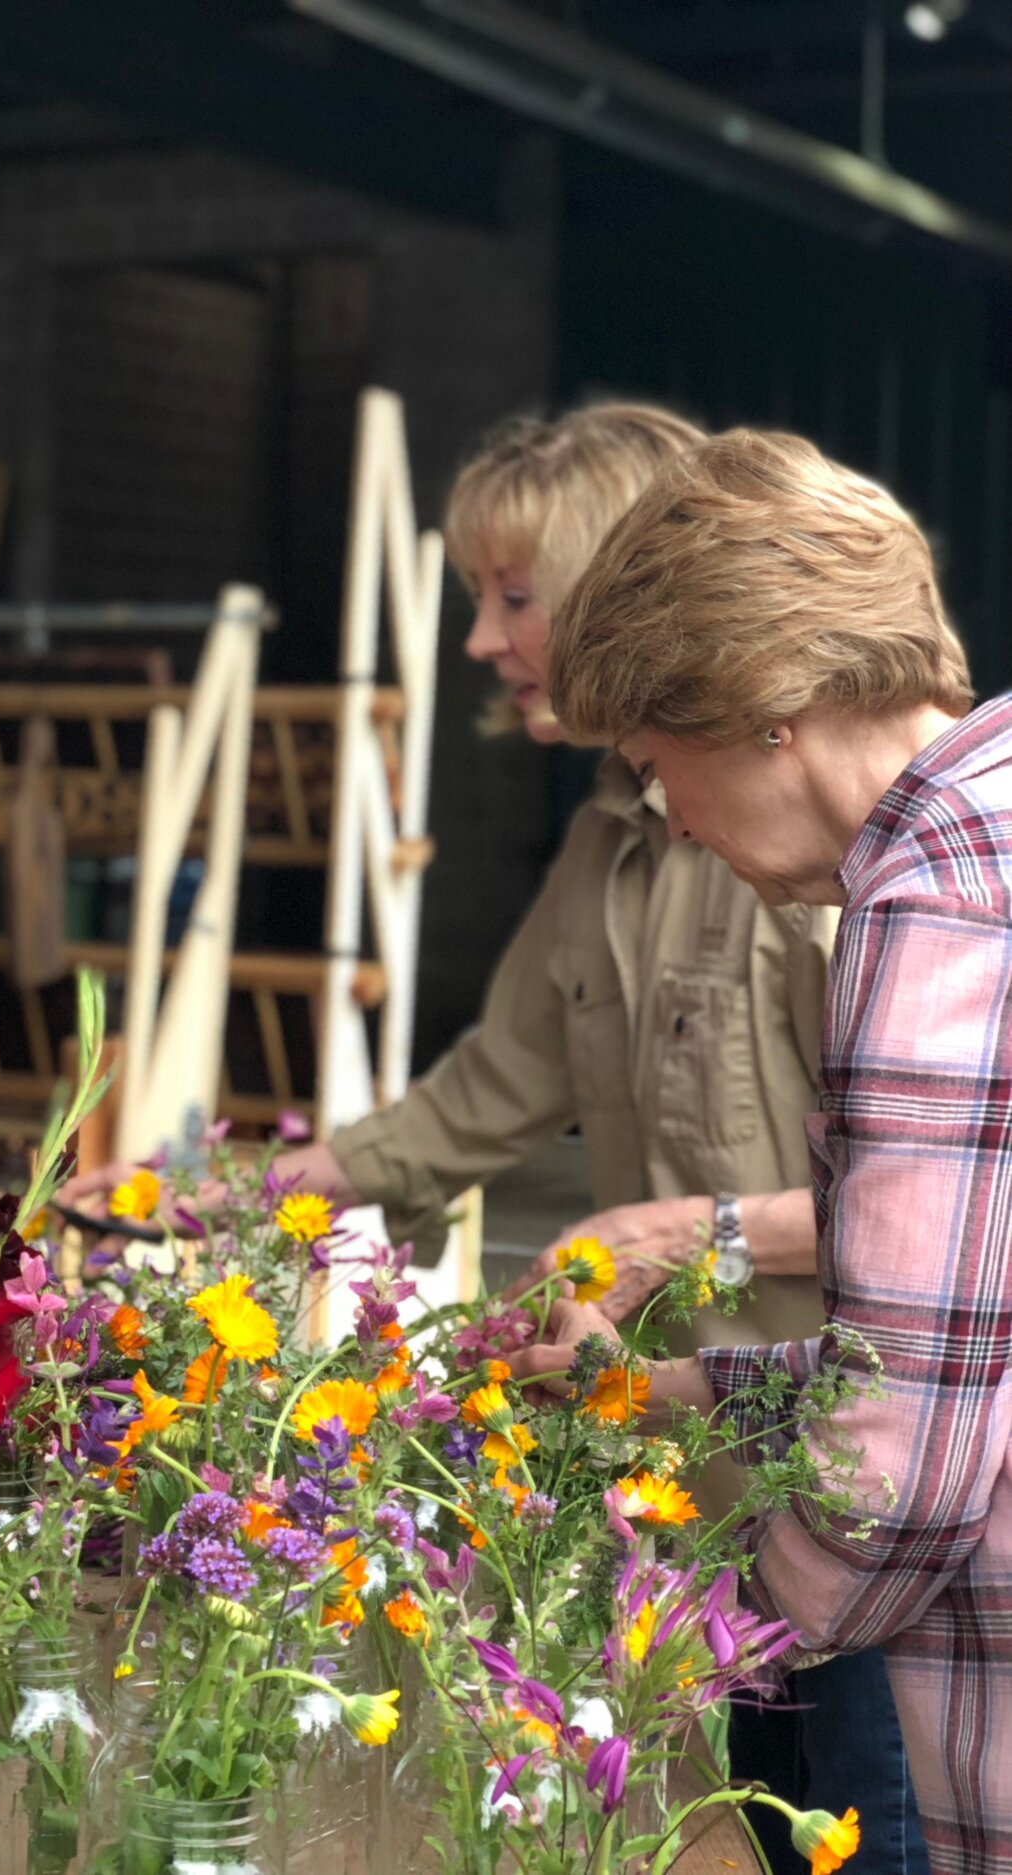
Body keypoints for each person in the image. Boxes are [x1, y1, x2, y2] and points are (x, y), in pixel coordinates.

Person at [72, 402, 923, 1871]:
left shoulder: (814, 838)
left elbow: (951, 1196)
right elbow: (472, 1102)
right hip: (718, 1496)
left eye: (511, 594)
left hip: (875, 1502)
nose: (479, 638)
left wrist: (690, 1228)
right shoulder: (611, 840)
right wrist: (203, 1197)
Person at [517, 429, 993, 1869]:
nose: (663, 808)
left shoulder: (935, 906)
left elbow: (902, 1467)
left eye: (658, 762)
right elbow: (963, 1347)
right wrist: (666, 1384)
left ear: (769, 706)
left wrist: (706, 1641)